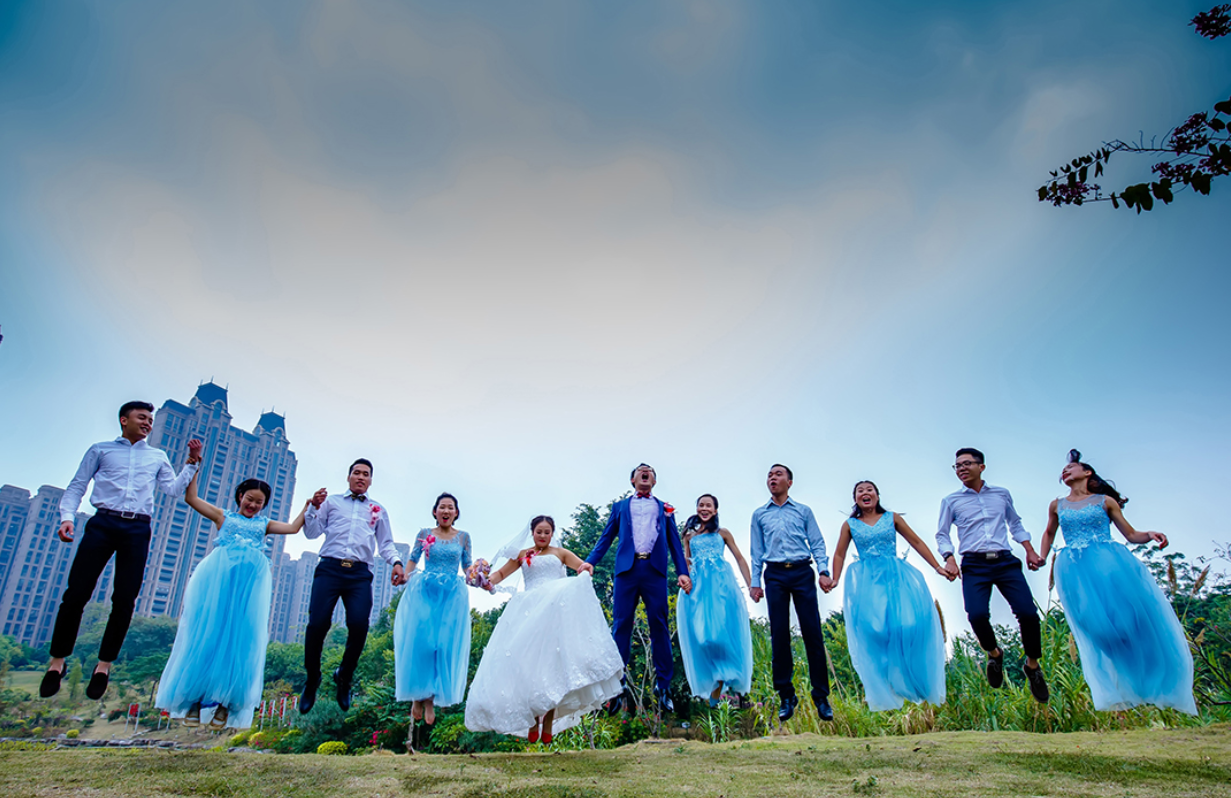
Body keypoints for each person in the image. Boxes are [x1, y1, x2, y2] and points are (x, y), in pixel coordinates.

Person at [41, 401, 203, 700]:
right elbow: (77, 486)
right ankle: (57, 662)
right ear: (123, 420)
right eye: (142, 418)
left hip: (137, 529)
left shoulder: (157, 456)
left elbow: (172, 489)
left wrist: (191, 463)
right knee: (76, 593)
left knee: (125, 599)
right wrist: (67, 518)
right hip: (102, 523)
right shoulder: (101, 450)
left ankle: (103, 666)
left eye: (151, 420)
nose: (148, 423)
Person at [1034, 450, 1197, 714]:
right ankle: (1124, 677)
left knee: (1127, 622)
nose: (1065, 470)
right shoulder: (1057, 505)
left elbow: (1130, 534)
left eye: (1072, 467)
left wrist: (1150, 534)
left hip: (1108, 564)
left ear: (1087, 473)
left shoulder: (1105, 501)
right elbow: (1049, 532)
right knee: (1093, 625)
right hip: (1074, 570)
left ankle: (1150, 669)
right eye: (1064, 469)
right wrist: (1041, 557)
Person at [156, 472, 309, 728]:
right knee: (207, 636)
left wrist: (308, 506)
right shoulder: (223, 516)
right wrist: (194, 468)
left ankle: (226, 705)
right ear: (240, 496)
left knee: (240, 642)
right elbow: (191, 498)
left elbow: (293, 528)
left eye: (259, 502)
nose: (253, 505)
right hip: (218, 587)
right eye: (250, 499)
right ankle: (193, 703)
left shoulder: (264, 525)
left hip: (248, 591)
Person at [465, 515, 624, 742]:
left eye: (547, 532)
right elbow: (500, 574)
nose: (542, 535)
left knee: (551, 665)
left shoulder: (560, 553)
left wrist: (585, 570)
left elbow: (582, 566)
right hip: (528, 611)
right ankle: (532, 717)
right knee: (528, 665)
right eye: (539, 531)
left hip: (553, 612)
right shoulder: (522, 554)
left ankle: (548, 718)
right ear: (532, 533)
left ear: (552, 533)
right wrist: (485, 580)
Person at [936, 447, 1049, 703]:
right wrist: (949, 558)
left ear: (981, 467)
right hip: (974, 564)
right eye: (957, 466)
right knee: (976, 614)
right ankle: (994, 654)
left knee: (1028, 613)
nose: (961, 469)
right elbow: (942, 534)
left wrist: (1029, 550)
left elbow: (1015, 523)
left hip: (1005, 561)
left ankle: (1032, 666)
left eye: (966, 464)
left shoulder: (1001, 494)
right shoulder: (951, 501)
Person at [829, 481, 951, 711]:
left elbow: (916, 541)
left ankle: (909, 674)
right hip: (867, 582)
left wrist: (938, 567)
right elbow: (839, 554)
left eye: (869, 490)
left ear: (877, 495)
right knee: (873, 630)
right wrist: (834, 579)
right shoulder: (850, 525)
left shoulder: (891, 518)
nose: (865, 493)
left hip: (895, 579)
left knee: (906, 625)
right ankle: (885, 679)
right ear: (855, 499)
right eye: (860, 491)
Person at [300, 459, 406, 713]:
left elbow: (386, 544)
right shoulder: (331, 502)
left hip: (359, 574)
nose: (360, 477)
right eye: (356, 473)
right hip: (329, 569)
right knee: (317, 624)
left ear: (370, 480)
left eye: (365, 474)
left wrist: (396, 562)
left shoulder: (378, 510)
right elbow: (311, 532)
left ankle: (344, 676)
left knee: (359, 625)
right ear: (348, 477)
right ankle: (312, 678)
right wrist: (313, 508)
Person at [585, 464, 692, 713]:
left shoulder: (664, 508)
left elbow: (675, 543)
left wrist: (683, 572)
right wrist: (590, 562)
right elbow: (606, 537)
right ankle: (616, 685)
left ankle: (663, 687)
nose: (646, 472)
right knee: (621, 625)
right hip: (627, 571)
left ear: (654, 481)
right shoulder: (620, 507)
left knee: (660, 626)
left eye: (650, 470)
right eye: (641, 470)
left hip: (655, 571)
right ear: (633, 480)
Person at [749, 464, 834, 722]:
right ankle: (786, 695)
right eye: (769, 475)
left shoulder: (803, 511)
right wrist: (755, 582)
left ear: (790, 482)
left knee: (812, 632)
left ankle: (821, 696)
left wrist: (823, 570)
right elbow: (756, 551)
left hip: (802, 572)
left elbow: (817, 542)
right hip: (774, 574)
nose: (772, 478)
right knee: (779, 634)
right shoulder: (759, 515)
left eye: (778, 474)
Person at [394, 492, 473, 725]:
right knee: (424, 644)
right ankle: (418, 696)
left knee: (443, 646)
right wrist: (405, 575)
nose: (446, 511)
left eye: (450, 507)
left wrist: (476, 574)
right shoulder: (424, 534)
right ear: (435, 511)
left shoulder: (464, 537)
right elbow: (413, 558)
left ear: (456, 513)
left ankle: (430, 699)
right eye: (442, 507)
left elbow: (467, 565)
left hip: (451, 596)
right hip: (425, 591)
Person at [676, 494, 753, 706]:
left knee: (719, 633)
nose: (704, 508)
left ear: (715, 510)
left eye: (708, 505)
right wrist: (684, 580)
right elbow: (686, 562)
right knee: (703, 637)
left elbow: (739, 558)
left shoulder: (723, 533)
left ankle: (726, 675)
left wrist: (751, 585)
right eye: (701, 505)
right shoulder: (689, 536)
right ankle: (715, 675)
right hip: (698, 588)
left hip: (721, 586)